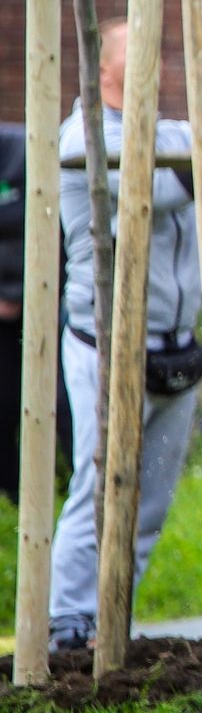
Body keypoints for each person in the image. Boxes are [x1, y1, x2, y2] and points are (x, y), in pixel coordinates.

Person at [50, 21, 202, 653]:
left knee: (148, 506)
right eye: (142, 53)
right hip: (107, 342)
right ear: (107, 69)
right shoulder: (84, 139)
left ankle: (113, 625)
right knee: (97, 485)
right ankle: (67, 625)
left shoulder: (164, 131)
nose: (158, 64)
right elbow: (160, 186)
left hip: (176, 344)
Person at [0, 123, 72, 506]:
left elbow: (57, 235)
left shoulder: (25, 153)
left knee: (59, 399)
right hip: (4, 313)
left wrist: (24, 295)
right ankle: (15, 493)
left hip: (42, 305)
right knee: (6, 404)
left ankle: (65, 479)